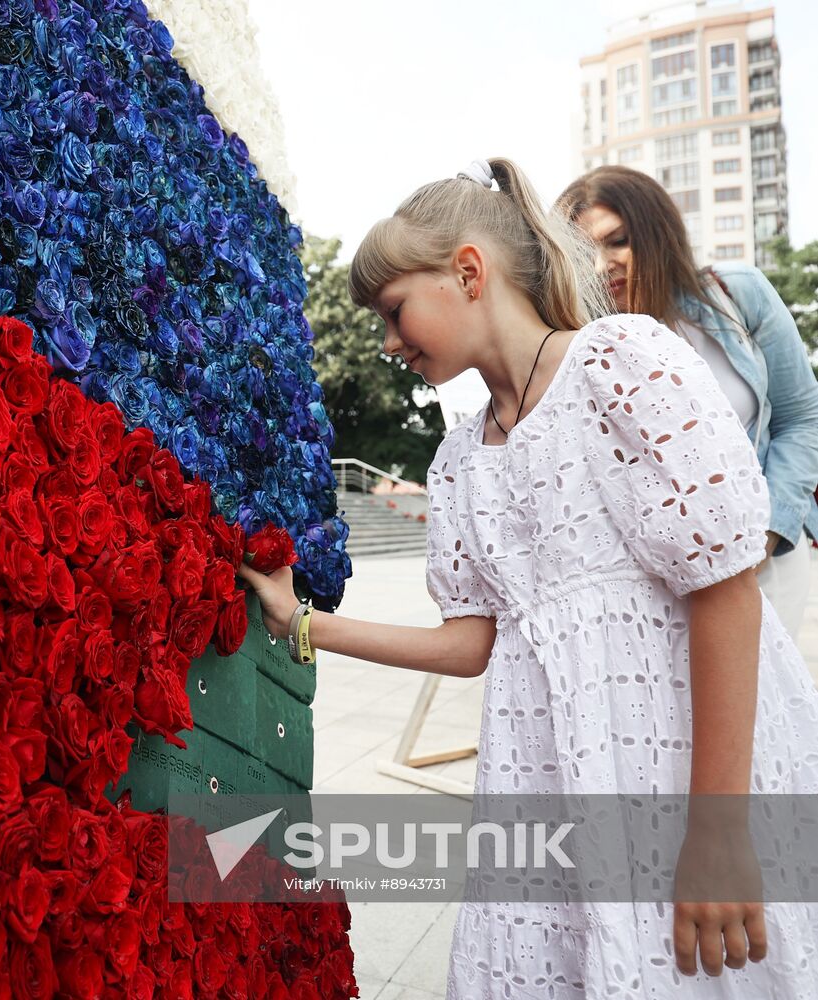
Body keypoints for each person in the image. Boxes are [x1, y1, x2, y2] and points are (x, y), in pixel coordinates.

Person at [237, 157, 818, 998]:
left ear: (467, 271)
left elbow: (724, 587)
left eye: (394, 311)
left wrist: (720, 831)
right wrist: (300, 621)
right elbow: (468, 645)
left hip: (683, 767)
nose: (389, 342)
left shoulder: (621, 361)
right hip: (548, 784)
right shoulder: (459, 464)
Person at [556, 165, 818, 640]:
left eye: (617, 241)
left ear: (657, 231)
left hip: (763, 555)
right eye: (583, 252)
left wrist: (767, 536)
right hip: (655, 576)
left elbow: (803, 417)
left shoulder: (737, 293)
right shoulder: (582, 343)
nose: (600, 266)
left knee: (759, 708)